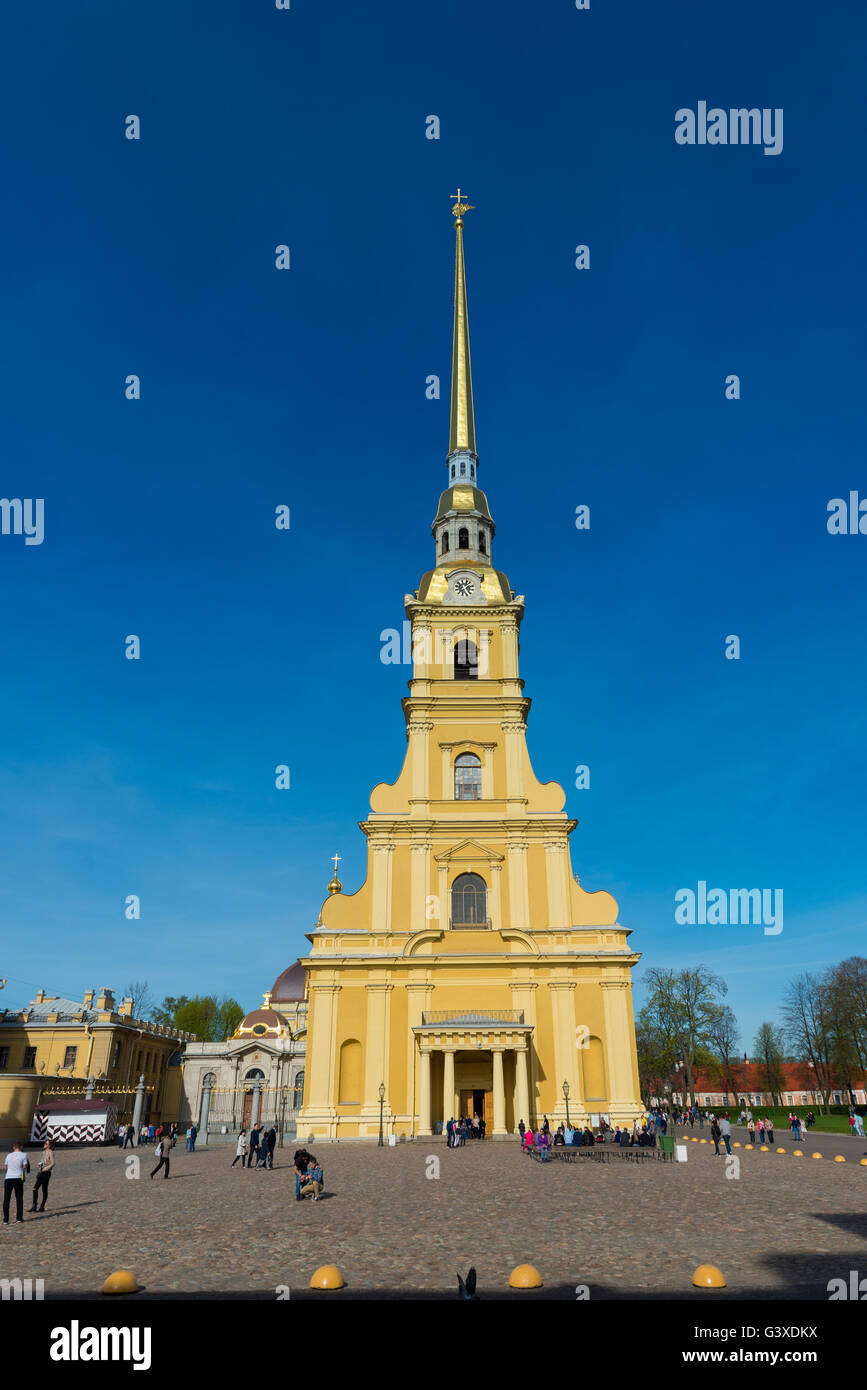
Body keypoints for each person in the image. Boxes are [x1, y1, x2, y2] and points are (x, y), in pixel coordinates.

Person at [3, 1142, 30, 1223]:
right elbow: (25, 1166)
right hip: (18, 1177)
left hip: (8, 1178)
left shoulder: (8, 1155)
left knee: (6, 1199)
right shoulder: (24, 1155)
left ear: (13, 1147)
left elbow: (5, 1167)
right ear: (21, 1147)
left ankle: (6, 1220)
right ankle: (19, 1218)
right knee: (19, 1198)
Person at [31, 1141, 55, 1212]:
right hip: (41, 1172)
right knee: (35, 1189)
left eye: (46, 1144)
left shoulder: (51, 1152)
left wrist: (46, 1168)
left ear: (49, 1145)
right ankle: (34, 1206)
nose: (44, 1144)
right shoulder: (44, 1152)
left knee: (43, 1189)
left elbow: (53, 1163)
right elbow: (44, 1161)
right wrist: (40, 1165)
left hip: (46, 1173)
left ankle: (42, 1206)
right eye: (45, 1143)